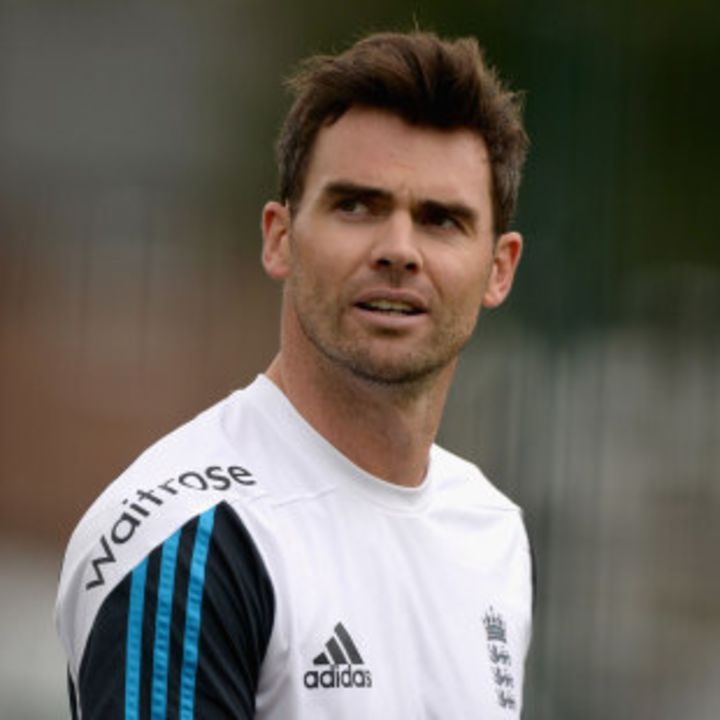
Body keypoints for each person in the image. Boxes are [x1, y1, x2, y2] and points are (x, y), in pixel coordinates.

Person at [55, 30, 533, 719]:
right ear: (279, 237)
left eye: (441, 220)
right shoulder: (188, 542)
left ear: (499, 268)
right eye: (356, 206)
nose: (399, 250)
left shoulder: (493, 531)